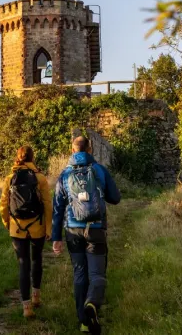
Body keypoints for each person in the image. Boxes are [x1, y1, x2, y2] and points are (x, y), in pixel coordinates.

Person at [51, 136, 121, 335]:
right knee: (97, 274)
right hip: (96, 228)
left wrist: (56, 237)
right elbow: (115, 198)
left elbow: (57, 208)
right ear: (89, 149)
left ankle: (83, 321)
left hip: (73, 230)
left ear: (72, 150)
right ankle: (92, 305)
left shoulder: (65, 174)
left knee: (79, 273)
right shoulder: (99, 170)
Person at [0, 145, 53, 319]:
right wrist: (49, 228)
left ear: (18, 157)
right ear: (32, 157)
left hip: (17, 226)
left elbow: (3, 205)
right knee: (37, 259)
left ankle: (26, 307)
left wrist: (7, 222)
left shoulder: (9, 178)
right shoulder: (40, 178)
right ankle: (36, 297)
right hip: (37, 225)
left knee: (23, 264)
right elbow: (47, 205)